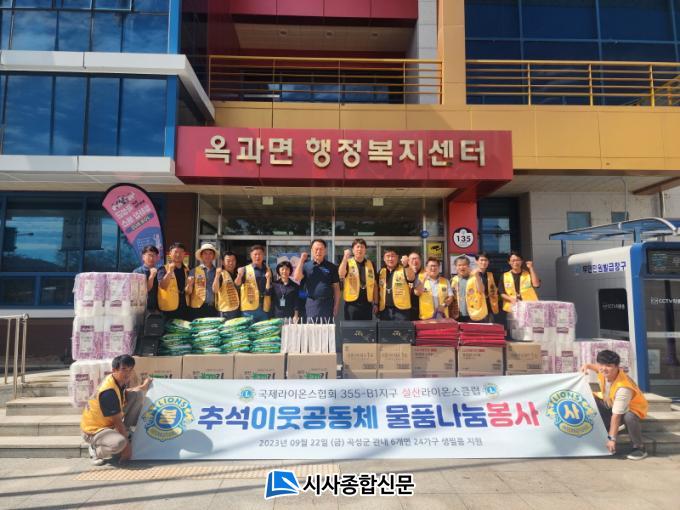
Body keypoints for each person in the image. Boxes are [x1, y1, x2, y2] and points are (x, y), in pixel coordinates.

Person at [80, 355, 152, 466]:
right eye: (124, 369)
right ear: (114, 370)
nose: (127, 373)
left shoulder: (117, 380)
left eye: (130, 370)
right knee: (119, 443)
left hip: (108, 423)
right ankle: (96, 449)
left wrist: (143, 386)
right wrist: (127, 448)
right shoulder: (108, 392)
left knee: (137, 394)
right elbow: (117, 421)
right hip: (94, 430)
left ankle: (125, 430)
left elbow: (125, 392)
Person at [581, 350, 649, 460]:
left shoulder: (623, 387)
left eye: (608, 365)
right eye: (601, 364)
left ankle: (639, 447)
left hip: (632, 408)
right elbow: (597, 368)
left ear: (617, 366)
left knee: (629, 417)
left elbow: (616, 416)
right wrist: (587, 366)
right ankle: (603, 430)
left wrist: (612, 439)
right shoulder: (605, 371)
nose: (603, 368)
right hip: (612, 402)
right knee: (591, 399)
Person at [293, 239, 340, 322]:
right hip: (311, 303)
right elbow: (296, 277)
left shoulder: (332, 267)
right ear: (312, 250)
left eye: (321, 249)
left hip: (327, 304)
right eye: (316, 249)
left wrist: (336, 306)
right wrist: (301, 260)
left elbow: (336, 288)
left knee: (327, 328)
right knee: (311, 328)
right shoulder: (306, 266)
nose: (319, 251)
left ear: (325, 250)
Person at [338, 238, 376, 321]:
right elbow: (341, 274)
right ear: (353, 250)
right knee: (352, 327)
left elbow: (375, 284)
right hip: (352, 304)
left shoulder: (371, 264)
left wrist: (375, 303)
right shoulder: (348, 262)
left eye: (362, 247)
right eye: (357, 247)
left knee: (366, 328)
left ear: (365, 250)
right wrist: (345, 257)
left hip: (367, 304)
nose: (360, 249)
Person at [235, 244, 272, 323]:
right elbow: (237, 284)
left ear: (263, 255)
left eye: (260, 254)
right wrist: (239, 275)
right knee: (249, 330)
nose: (257, 256)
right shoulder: (245, 269)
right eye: (255, 254)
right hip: (249, 308)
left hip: (264, 307)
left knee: (264, 330)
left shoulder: (268, 269)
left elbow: (270, 287)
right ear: (251, 255)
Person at [377, 249, 415, 321]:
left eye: (393, 256)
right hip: (385, 310)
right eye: (388, 256)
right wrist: (376, 304)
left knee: (401, 328)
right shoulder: (381, 272)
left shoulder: (404, 269)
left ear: (397, 257)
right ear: (384, 258)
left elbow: (411, 278)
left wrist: (406, 266)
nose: (390, 259)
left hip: (402, 311)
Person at [157, 242, 191, 321]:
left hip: (184, 308)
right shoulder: (163, 269)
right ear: (170, 254)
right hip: (169, 309)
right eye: (175, 252)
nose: (178, 255)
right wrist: (169, 272)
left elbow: (189, 291)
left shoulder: (188, 270)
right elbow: (163, 286)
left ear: (184, 254)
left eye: (181, 252)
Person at [186, 243, 219, 320]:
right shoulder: (193, 271)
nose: (208, 256)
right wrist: (189, 285)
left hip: (213, 307)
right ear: (201, 255)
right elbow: (188, 292)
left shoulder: (218, 272)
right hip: (197, 307)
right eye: (205, 253)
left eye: (210, 253)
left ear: (213, 256)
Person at [450, 256, 485, 322]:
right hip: (457, 315)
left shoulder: (475, 278)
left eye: (464, 265)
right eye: (459, 265)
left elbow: (481, 290)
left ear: (468, 266)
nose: (461, 267)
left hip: (473, 314)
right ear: (456, 267)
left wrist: (477, 276)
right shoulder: (453, 280)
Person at [212, 251, 241, 320]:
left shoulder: (238, 273)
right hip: (226, 311)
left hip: (238, 309)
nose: (231, 263)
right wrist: (217, 275)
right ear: (223, 262)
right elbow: (215, 290)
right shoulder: (221, 274)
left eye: (233, 260)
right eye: (228, 261)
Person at [474, 252, 500, 323]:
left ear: (488, 262)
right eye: (481, 260)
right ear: (476, 261)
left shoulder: (492, 275)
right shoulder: (471, 275)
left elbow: (497, 290)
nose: (484, 262)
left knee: (489, 328)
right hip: (475, 308)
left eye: (486, 260)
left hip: (489, 308)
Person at [132, 244, 159, 312]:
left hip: (157, 309)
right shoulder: (137, 272)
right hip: (141, 309)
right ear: (143, 257)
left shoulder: (160, 272)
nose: (151, 258)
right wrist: (151, 276)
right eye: (149, 255)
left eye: (154, 255)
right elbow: (142, 291)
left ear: (157, 258)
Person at [407, 252, 425, 320]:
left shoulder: (426, 273)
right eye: (412, 259)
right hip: (406, 309)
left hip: (423, 308)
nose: (415, 261)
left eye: (417, 259)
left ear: (420, 261)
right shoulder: (403, 273)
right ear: (408, 262)